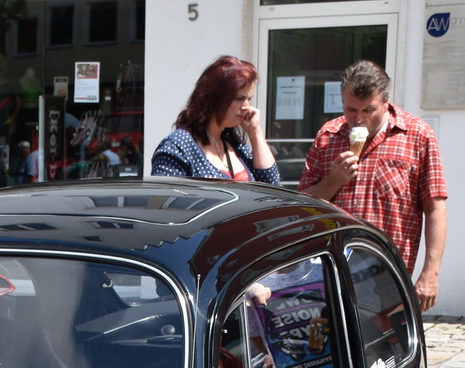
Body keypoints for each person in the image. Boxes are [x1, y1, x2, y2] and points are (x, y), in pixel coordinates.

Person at [300, 61, 447, 310]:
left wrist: (430, 274)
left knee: (388, 335)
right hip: (333, 270)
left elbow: (435, 208)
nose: (359, 119)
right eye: (351, 110)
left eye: (368, 110)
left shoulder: (418, 135)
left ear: (386, 102)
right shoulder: (328, 136)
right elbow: (304, 204)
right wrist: (333, 181)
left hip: (388, 272)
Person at [151, 56, 280, 185]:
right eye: (239, 98)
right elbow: (166, 196)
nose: (246, 106)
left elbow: (271, 185)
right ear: (215, 98)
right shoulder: (178, 146)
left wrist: (255, 132)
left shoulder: (233, 143)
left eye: (249, 99)